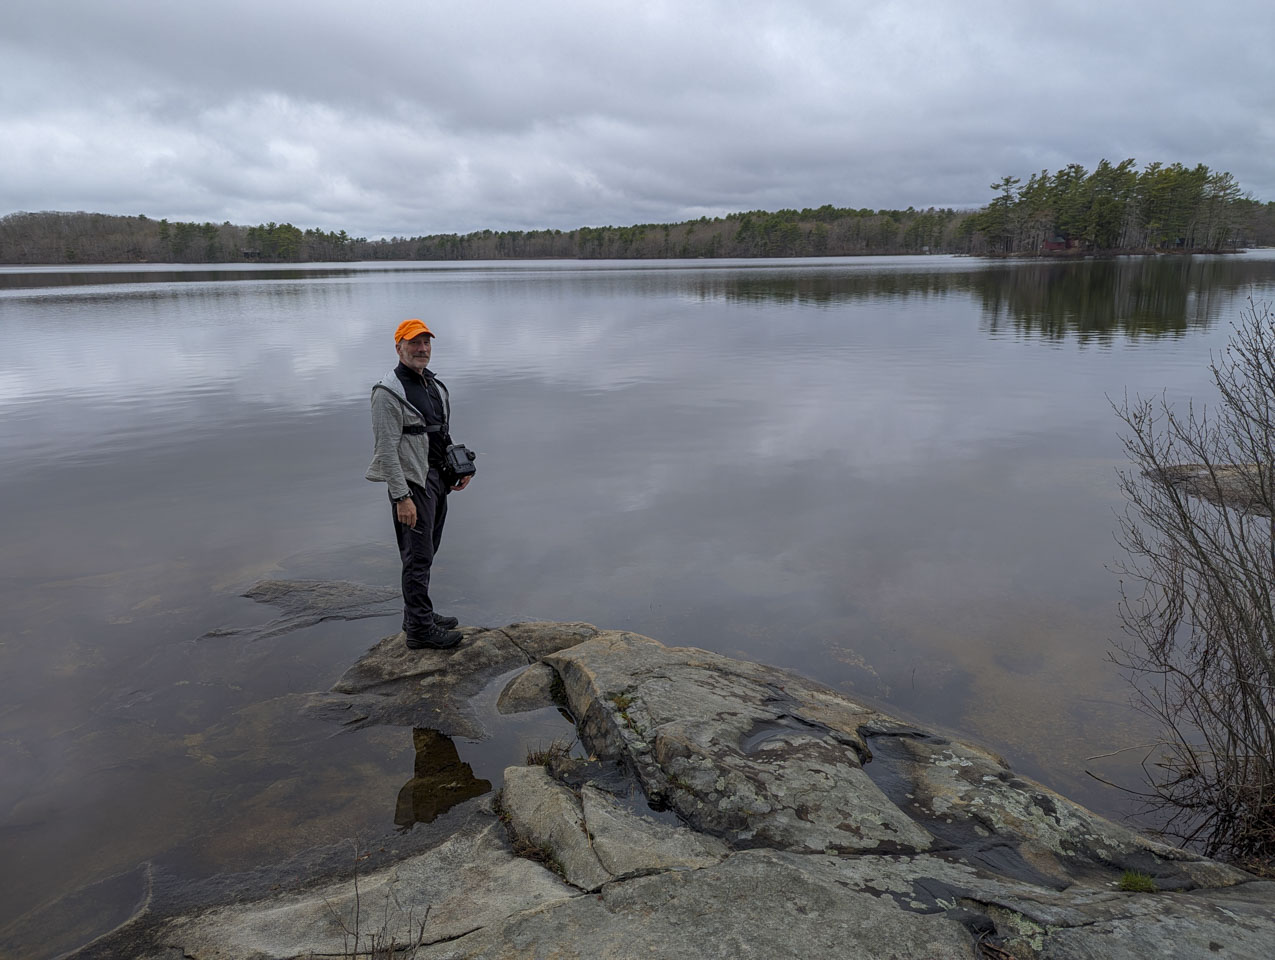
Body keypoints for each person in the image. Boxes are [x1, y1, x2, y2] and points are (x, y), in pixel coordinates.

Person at [366, 319, 472, 650]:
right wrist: (401, 497)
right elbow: (385, 449)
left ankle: (417, 615)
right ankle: (419, 631)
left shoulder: (432, 385)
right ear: (399, 347)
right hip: (413, 483)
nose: (422, 349)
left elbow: (439, 431)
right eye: (414, 343)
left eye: (426, 343)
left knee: (427, 551)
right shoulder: (387, 393)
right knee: (417, 556)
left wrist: (459, 466)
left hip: (438, 478)